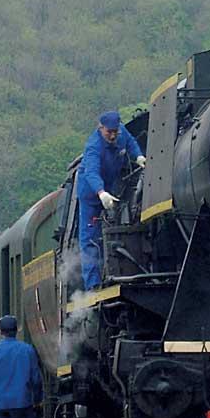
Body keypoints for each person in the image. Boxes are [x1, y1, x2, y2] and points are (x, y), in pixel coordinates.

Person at [77, 110, 145, 290]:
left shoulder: (121, 133)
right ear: (101, 128)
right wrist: (101, 193)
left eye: (115, 131)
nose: (113, 135)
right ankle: (92, 284)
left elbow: (130, 142)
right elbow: (91, 173)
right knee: (90, 238)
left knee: (117, 223)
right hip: (91, 194)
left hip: (112, 186)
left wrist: (138, 156)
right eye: (110, 132)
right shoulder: (93, 147)